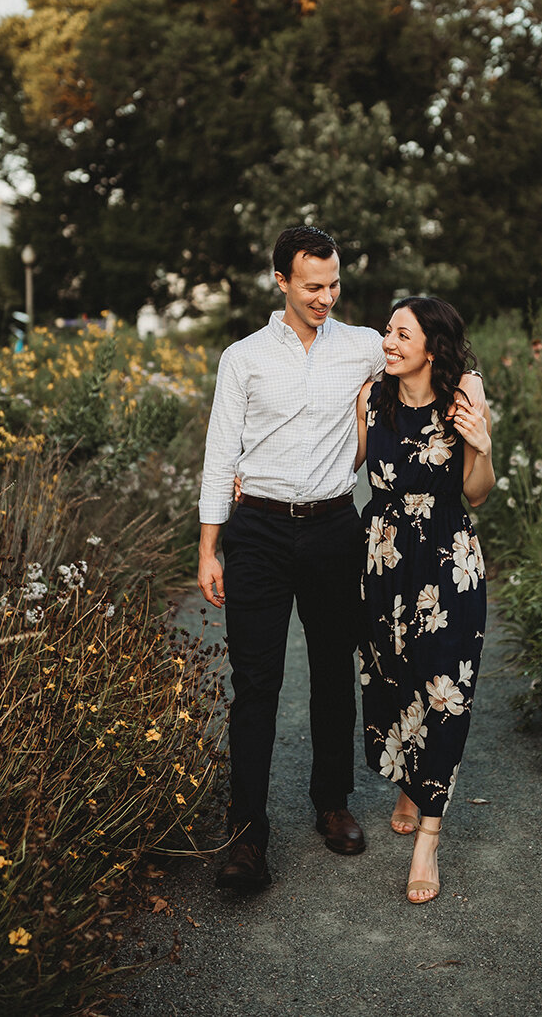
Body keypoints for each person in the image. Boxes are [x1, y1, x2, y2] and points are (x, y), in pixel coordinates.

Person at [197, 225, 385, 893]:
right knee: (256, 685)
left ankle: (332, 804)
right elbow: (222, 451)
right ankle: (247, 838)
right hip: (259, 533)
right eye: (313, 286)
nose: (326, 297)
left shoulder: (364, 347)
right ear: (281, 281)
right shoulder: (242, 358)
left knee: (336, 672)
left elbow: (427, 361)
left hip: (336, 527)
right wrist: (209, 548)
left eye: (334, 284)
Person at [355, 295, 494, 905]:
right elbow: (341, 464)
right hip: (383, 560)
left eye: (402, 333)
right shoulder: (371, 399)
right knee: (392, 678)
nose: (388, 341)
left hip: (447, 560)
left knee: (445, 688)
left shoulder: (460, 402)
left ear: (431, 348)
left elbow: (478, 493)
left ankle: (428, 839)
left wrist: (484, 444)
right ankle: (409, 782)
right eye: (388, 330)